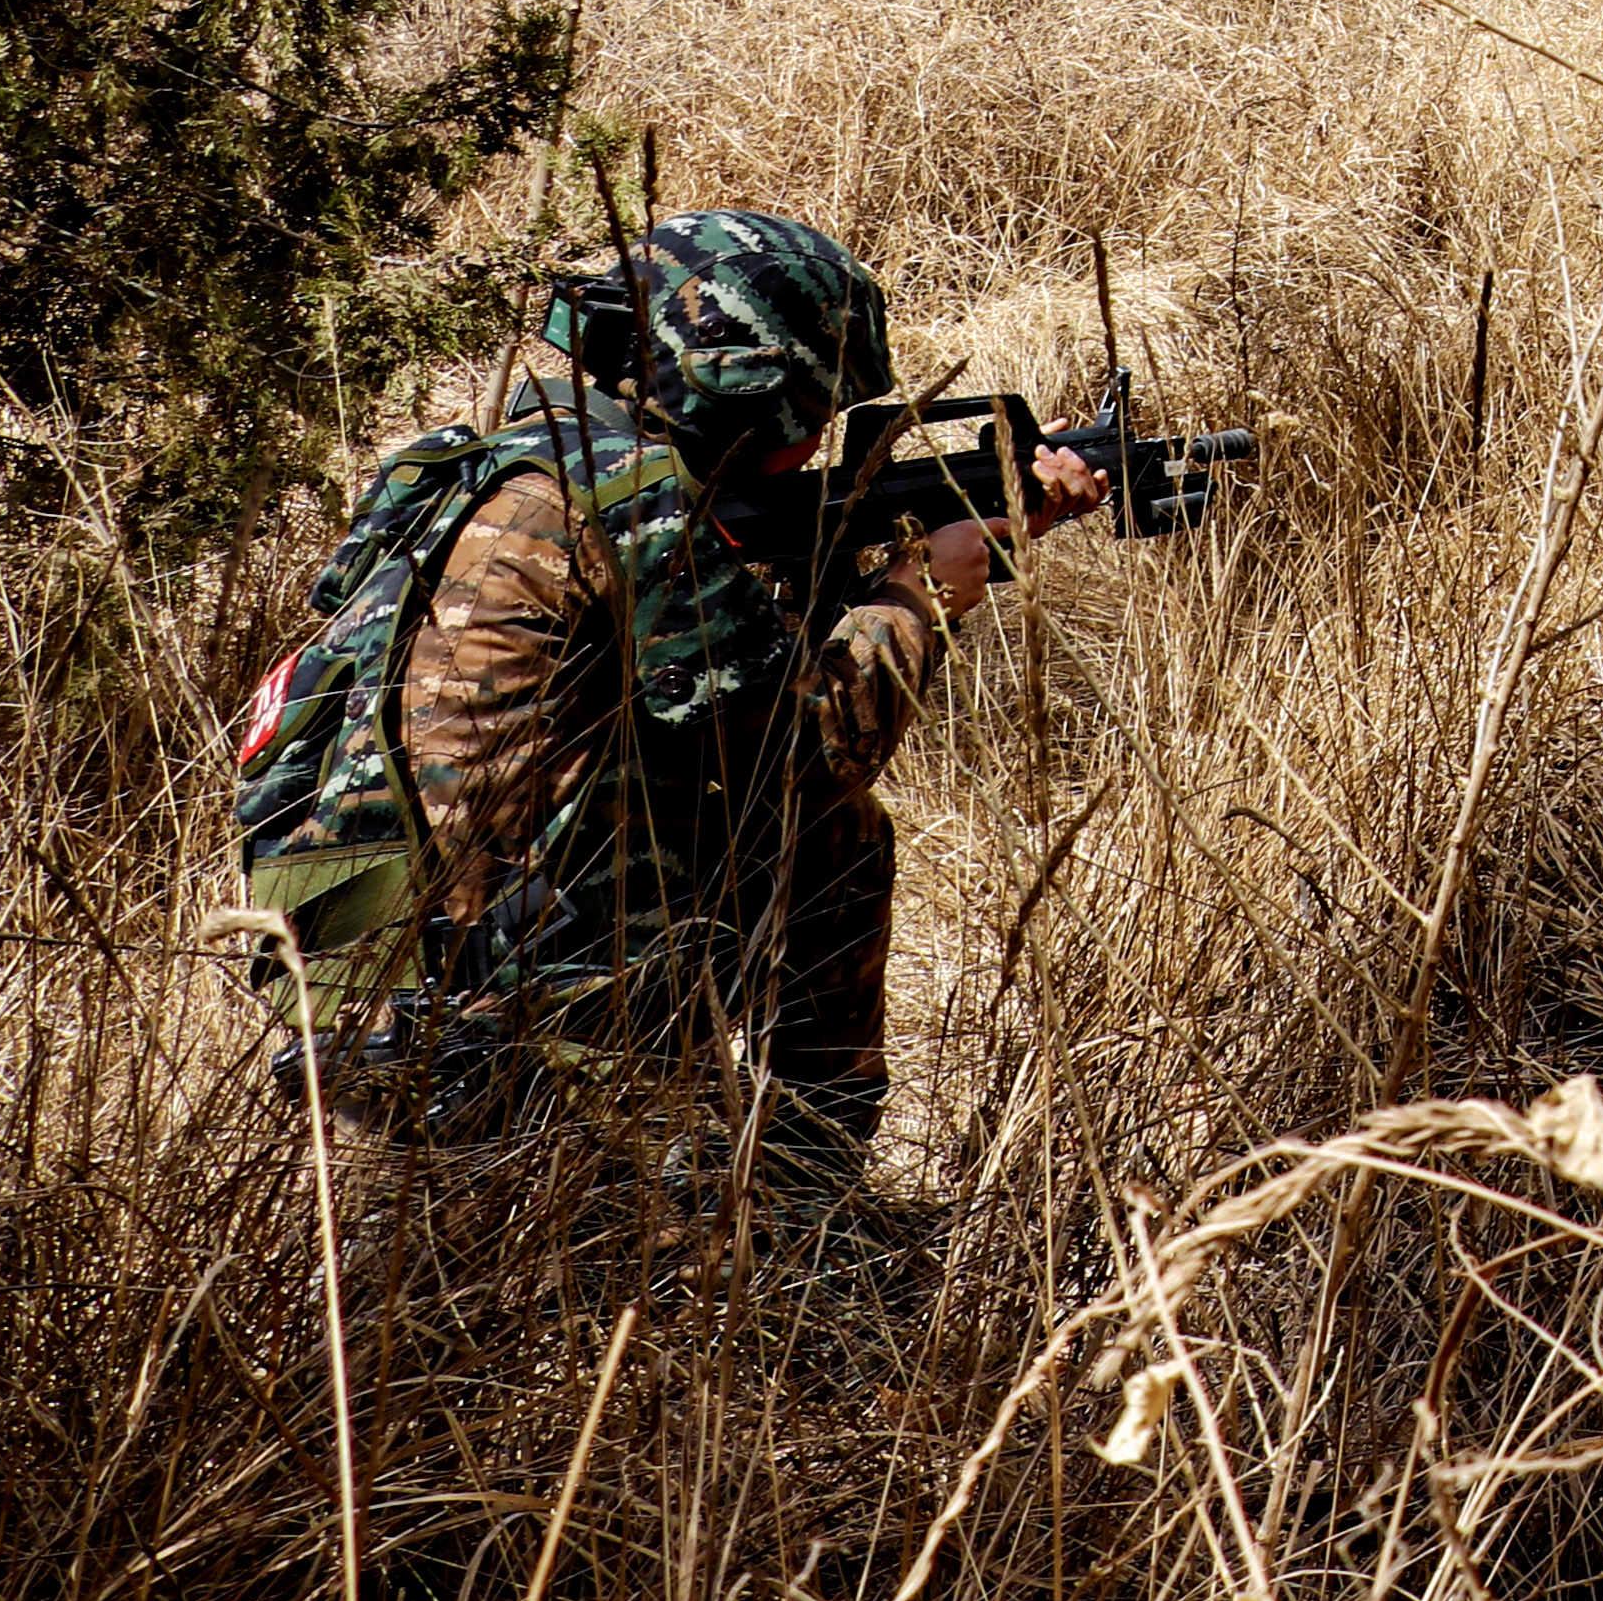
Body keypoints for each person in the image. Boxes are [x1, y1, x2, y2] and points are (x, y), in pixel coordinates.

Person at [228, 210, 1097, 1178]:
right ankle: (799, 1210)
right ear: (749, 395)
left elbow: (685, 703)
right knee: (838, 833)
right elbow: (806, 757)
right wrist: (923, 591)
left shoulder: (481, 470)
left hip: (359, 973)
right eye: (810, 413)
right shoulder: (633, 499)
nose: (815, 442)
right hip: (514, 1012)